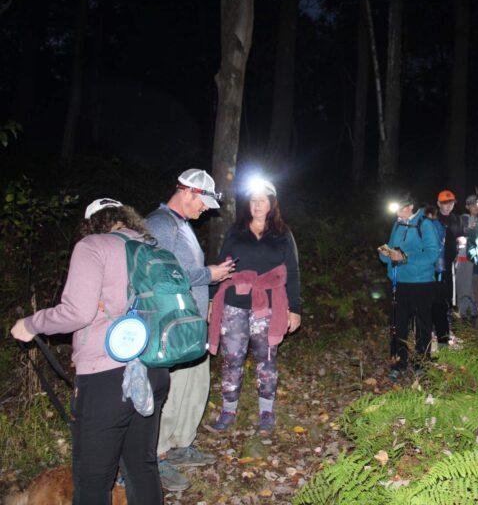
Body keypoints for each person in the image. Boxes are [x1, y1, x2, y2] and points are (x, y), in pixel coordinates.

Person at [11, 198, 170, 505]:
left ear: (91, 223)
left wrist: (32, 323)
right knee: (142, 468)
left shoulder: (93, 246)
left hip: (107, 378)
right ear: (126, 218)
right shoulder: (152, 248)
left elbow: (78, 312)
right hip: (153, 370)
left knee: (92, 481)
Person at [145, 169, 235, 491]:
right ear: (188, 192)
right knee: (170, 392)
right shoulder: (159, 224)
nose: (206, 210)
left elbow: (187, 270)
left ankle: (182, 443)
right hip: (172, 326)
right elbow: (158, 273)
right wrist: (208, 274)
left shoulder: (182, 226)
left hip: (192, 321)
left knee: (193, 386)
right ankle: (157, 455)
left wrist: (208, 295)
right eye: (203, 203)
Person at [208, 178, 301, 434]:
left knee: (266, 359)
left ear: (272, 203)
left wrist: (295, 308)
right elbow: (221, 265)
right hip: (234, 305)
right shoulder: (236, 231)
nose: (257, 205)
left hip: (269, 305)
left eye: (262, 200)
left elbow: (292, 271)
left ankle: (266, 411)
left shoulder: (283, 234)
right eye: (253, 200)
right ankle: (228, 410)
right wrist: (211, 299)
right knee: (232, 359)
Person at [378, 195, 439, 380]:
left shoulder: (425, 224)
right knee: (398, 324)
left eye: (400, 207)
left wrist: (405, 257)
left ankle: (421, 363)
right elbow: (391, 252)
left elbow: (432, 254)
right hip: (399, 281)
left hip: (421, 283)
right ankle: (398, 362)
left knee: (422, 324)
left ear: (411, 206)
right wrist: (385, 254)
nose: (396, 211)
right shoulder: (397, 224)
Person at [432, 190, 462, 348]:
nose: (448, 206)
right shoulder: (434, 219)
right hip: (435, 265)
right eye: (445, 203)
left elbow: (459, 236)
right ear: (439, 204)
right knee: (436, 298)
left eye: (451, 203)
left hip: (451, 263)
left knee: (449, 296)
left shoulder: (456, 219)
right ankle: (434, 331)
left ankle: (448, 328)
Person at [455, 195, 478, 322]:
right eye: (472, 204)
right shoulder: (463, 219)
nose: (475, 206)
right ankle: (464, 318)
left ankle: (477, 317)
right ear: (467, 206)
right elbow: (458, 234)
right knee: (464, 288)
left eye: (477, 203)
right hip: (464, 259)